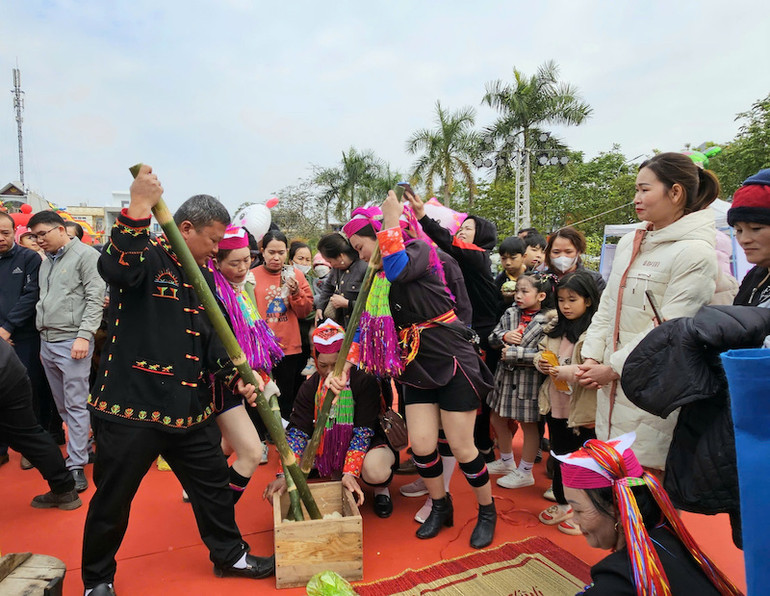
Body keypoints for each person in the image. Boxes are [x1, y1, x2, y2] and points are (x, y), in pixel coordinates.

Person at [82, 166, 274, 596]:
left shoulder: (204, 275)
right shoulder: (145, 254)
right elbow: (115, 268)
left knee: (213, 491)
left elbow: (212, 340)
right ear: (185, 228)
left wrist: (236, 378)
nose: (216, 250)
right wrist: (137, 206)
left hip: (190, 411)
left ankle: (230, 555)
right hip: (131, 406)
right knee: (112, 501)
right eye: (212, 240)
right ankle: (97, 579)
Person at [335, 192, 496, 549]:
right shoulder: (375, 277)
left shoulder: (419, 252)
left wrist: (390, 221)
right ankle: (440, 506)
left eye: (358, 244)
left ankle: (487, 510)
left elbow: (399, 268)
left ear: (378, 234)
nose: (356, 253)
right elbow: (366, 325)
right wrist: (344, 366)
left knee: (463, 446)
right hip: (416, 364)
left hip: (452, 361)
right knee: (421, 446)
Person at [577, 153, 722, 473]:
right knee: (615, 486)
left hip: (653, 390)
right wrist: (591, 356)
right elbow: (608, 305)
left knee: (648, 492)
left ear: (675, 193)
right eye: (636, 190)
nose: (636, 199)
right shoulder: (632, 241)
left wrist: (612, 368)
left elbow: (668, 330)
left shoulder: (695, 253)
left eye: (644, 190)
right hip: (610, 389)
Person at [558, 433, 741, 595]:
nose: (574, 519)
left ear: (619, 509)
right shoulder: (669, 539)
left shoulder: (616, 582)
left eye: (579, 510)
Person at [404, 191, 501, 470]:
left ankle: (482, 449)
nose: (460, 233)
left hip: (474, 334)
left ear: (483, 236)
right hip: (453, 333)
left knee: (474, 401)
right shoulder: (445, 259)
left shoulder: (478, 256)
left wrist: (423, 218)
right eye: (460, 227)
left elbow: (447, 241)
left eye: (468, 229)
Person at [263, 319, 397, 517]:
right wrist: (284, 475)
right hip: (327, 443)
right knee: (294, 464)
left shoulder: (363, 380)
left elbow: (364, 431)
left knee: (375, 470)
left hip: (368, 444)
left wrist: (350, 472)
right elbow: (297, 432)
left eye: (336, 364)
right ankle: (332, 469)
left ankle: (380, 490)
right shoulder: (310, 387)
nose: (329, 372)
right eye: (323, 365)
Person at [28, 210, 105, 492]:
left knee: (73, 404)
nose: (38, 240)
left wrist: (84, 337)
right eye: (34, 236)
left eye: (42, 234)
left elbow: (95, 299)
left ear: (60, 229)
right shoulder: (47, 263)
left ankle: (75, 466)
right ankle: (81, 449)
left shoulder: (86, 257)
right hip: (48, 341)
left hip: (73, 341)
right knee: (63, 405)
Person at [211, 225, 284, 498]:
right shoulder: (214, 293)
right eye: (234, 262)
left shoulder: (240, 289)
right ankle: (218, 508)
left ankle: (202, 489)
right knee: (252, 452)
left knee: (229, 445)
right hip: (221, 382)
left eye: (246, 260)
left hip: (241, 380)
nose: (243, 267)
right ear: (216, 261)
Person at [533, 271, 599, 535]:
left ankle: (588, 512)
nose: (566, 306)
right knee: (560, 455)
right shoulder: (553, 328)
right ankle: (563, 503)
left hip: (584, 410)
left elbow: (597, 368)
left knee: (583, 461)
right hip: (556, 405)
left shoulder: (596, 332)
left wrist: (567, 371)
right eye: (561, 300)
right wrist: (542, 362)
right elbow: (541, 352)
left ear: (589, 300)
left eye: (572, 299)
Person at [487, 273, 555, 489]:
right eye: (517, 290)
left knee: (529, 425)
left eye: (525, 291)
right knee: (496, 417)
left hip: (529, 381)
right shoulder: (510, 313)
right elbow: (493, 337)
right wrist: (504, 337)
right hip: (504, 379)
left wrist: (515, 353)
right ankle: (506, 460)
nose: (519, 295)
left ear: (541, 295)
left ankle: (525, 470)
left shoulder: (548, 320)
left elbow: (545, 353)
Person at [0, 337, 82, 509]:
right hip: (10, 368)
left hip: (6, 373)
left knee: (27, 434)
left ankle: (64, 488)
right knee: (29, 435)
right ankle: (64, 489)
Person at [251, 229, 314, 421]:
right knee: (260, 394)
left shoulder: (295, 275)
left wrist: (296, 293)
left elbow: (305, 311)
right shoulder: (251, 277)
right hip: (261, 347)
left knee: (286, 394)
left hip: (289, 346)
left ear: (287, 252)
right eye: (271, 252)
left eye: (281, 252)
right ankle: (263, 433)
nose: (276, 257)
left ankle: (284, 436)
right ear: (262, 251)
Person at [315, 232, 368, 328]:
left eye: (330, 261)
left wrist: (347, 304)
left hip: (360, 327)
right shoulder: (337, 269)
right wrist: (320, 307)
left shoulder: (365, 268)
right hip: (342, 325)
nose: (330, 265)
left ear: (341, 256)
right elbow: (328, 288)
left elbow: (371, 303)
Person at [544, 226, 606, 293]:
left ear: (578, 252)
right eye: (556, 252)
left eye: (568, 252)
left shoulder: (594, 280)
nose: (562, 256)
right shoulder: (540, 280)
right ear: (549, 253)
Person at [495, 236, 528, 310]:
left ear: (524, 256)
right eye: (504, 258)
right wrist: (506, 301)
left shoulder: (533, 277)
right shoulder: (499, 281)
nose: (508, 263)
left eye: (513, 258)